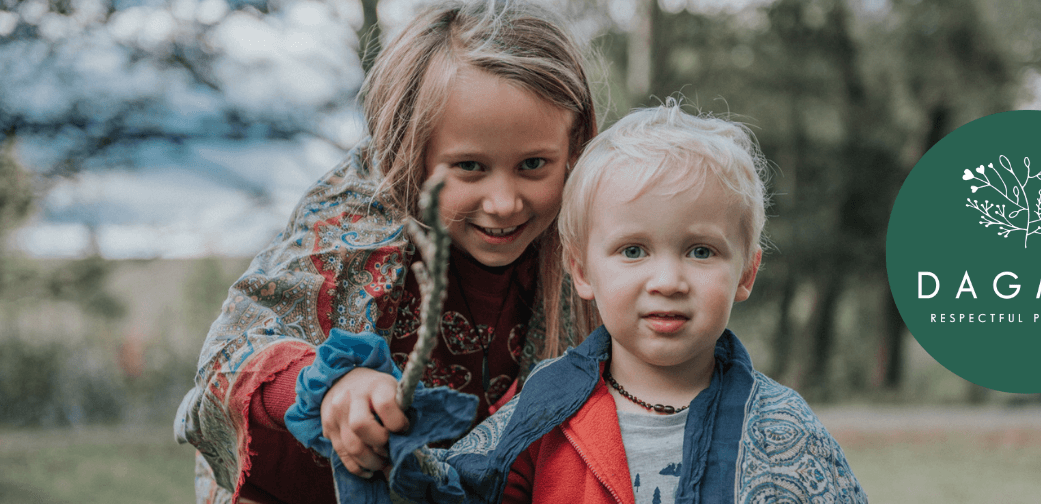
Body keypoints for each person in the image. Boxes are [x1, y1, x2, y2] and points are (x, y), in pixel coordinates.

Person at [172, 1, 599, 502]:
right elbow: (236, 351)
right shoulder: (356, 220)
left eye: (533, 164)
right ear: (409, 152)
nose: (504, 203)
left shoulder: (591, 232)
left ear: (574, 148)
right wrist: (332, 388)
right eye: (468, 167)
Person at [369, 104, 868, 503]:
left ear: (746, 273)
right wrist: (390, 445)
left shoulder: (784, 429)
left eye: (701, 251)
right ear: (582, 270)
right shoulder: (545, 410)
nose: (668, 281)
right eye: (633, 251)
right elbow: (459, 489)